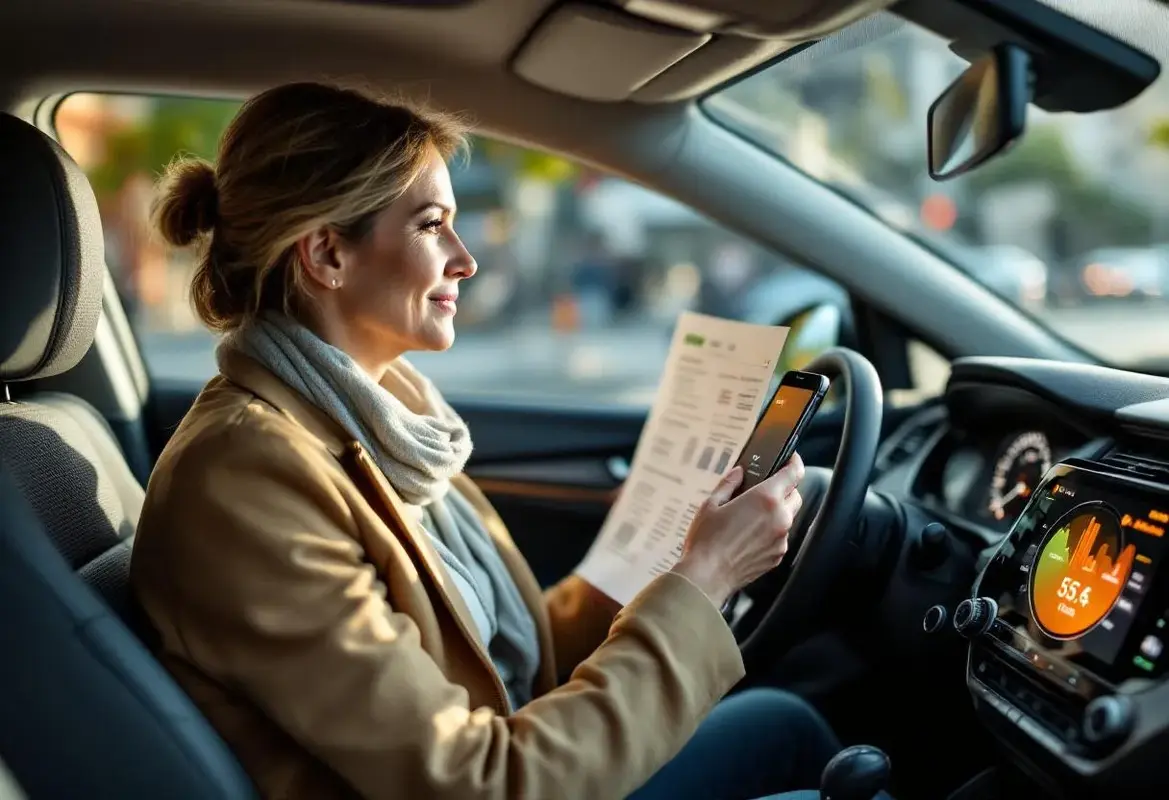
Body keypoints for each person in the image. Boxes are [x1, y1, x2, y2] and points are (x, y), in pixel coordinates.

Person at [129, 82, 857, 800]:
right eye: (431, 224)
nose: (465, 259)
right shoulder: (244, 480)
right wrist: (705, 580)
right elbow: (480, 784)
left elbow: (499, 653)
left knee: (786, 726)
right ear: (326, 254)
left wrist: (660, 553)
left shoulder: (384, 423)